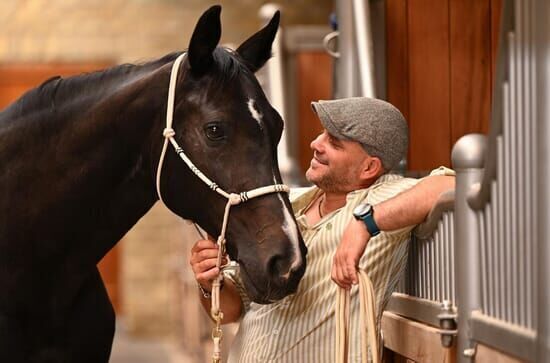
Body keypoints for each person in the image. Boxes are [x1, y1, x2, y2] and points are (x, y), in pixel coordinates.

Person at [190, 97, 455, 362]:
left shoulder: (383, 196)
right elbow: (230, 311)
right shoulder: (285, 207)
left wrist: (365, 223)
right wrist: (209, 282)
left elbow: (452, 185)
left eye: (334, 143)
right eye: (322, 134)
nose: (316, 145)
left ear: (369, 167)